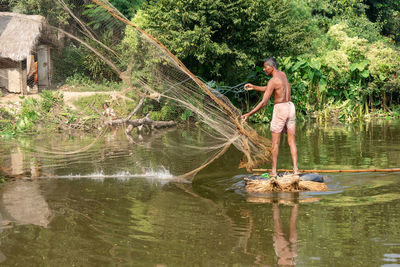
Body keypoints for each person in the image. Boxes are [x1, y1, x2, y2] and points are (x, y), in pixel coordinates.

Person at [241, 57, 299, 177]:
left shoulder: (272, 81)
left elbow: (264, 103)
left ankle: (273, 171)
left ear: (271, 67)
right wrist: (254, 87)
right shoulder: (282, 75)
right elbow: (271, 89)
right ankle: (296, 170)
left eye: (265, 67)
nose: (264, 69)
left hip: (280, 110)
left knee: (275, 143)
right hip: (290, 107)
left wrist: (248, 114)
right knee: (291, 142)